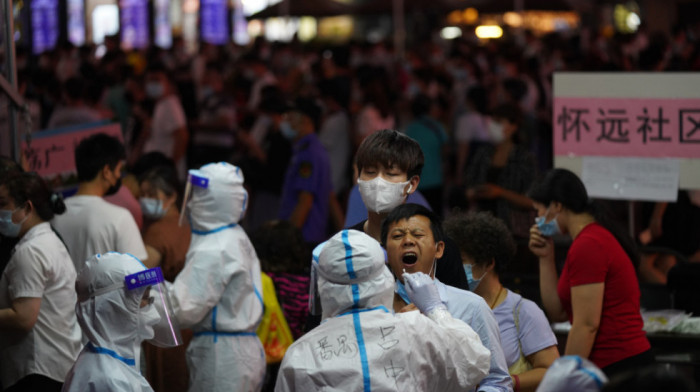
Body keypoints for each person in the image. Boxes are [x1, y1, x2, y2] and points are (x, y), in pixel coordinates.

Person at [275, 229, 491, 392]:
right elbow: (475, 362)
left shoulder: (302, 353)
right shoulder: (416, 329)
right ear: (383, 278)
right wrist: (436, 311)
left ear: (324, 286)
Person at [528, 168, 652, 377]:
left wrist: (564, 378)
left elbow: (586, 326)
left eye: (538, 211)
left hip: (621, 366)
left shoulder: (589, 244)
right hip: (611, 365)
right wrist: (545, 257)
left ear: (557, 205)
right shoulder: (587, 240)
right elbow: (557, 311)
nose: (537, 220)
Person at [381, 203, 513, 392]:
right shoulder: (373, 306)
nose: (408, 241)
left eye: (418, 235)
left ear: (439, 249)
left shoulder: (472, 306)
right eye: (397, 236)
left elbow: (496, 382)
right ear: (385, 251)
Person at [169, 162, 265, 392]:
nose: (191, 203)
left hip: (221, 359)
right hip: (242, 353)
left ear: (213, 200)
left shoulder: (214, 248)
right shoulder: (234, 235)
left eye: (199, 195)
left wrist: (148, 292)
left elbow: (183, 309)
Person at [444, 211, 560, 392]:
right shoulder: (449, 307)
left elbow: (551, 369)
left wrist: (502, 383)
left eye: (462, 262)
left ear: (489, 263)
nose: (455, 269)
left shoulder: (523, 311)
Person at [350, 129, 468, 290]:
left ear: (412, 184)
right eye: (370, 172)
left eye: (390, 174)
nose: (378, 182)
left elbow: (460, 308)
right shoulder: (344, 246)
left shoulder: (438, 248)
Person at [0, 172, 81, 391]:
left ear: (27, 208)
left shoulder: (31, 251)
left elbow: (23, 317)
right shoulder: (48, 241)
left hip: (39, 371)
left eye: (2, 204)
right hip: (58, 365)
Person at [63, 252, 183, 391]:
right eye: (143, 299)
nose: (154, 314)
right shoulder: (109, 378)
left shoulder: (112, 362)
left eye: (150, 299)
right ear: (111, 306)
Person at [52, 133, 148, 271]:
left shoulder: (55, 214)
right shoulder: (120, 217)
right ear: (107, 171)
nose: (119, 176)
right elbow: (137, 274)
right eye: (118, 170)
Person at [137, 164, 192, 392]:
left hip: (162, 324)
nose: (145, 200)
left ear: (172, 196)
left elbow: (140, 274)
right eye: (143, 195)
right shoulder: (187, 225)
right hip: (186, 322)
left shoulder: (158, 231)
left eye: (152, 194)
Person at [464, 104, 537, 239]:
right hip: (481, 228)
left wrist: (500, 192)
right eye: (492, 121)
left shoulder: (524, 159)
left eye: (498, 122)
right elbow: (468, 186)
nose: (493, 126)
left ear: (513, 127)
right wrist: (474, 192)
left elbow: (531, 202)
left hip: (513, 232)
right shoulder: (483, 154)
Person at [277, 98, 338, 246]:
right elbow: (330, 196)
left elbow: (305, 200)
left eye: (289, 118)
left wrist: (286, 240)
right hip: (311, 236)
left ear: (304, 120)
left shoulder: (309, 154)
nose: (285, 122)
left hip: (302, 238)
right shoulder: (315, 150)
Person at [405, 93, 449, 215]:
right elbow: (445, 151)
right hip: (436, 180)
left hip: (416, 183)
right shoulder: (437, 127)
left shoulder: (410, 129)